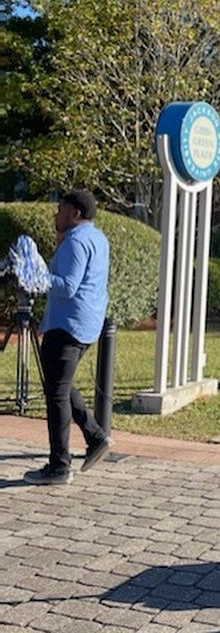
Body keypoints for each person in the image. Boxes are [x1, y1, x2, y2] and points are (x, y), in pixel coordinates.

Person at [23, 191, 112, 486]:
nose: (56, 213)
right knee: (60, 384)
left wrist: (37, 274)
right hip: (85, 324)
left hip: (68, 326)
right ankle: (96, 437)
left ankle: (60, 465)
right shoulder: (97, 238)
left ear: (75, 213)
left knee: (57, 393)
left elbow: (68, 286)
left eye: (60, 208)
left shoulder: (76, 241)